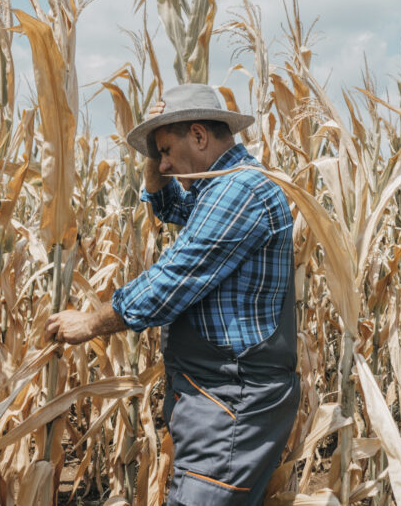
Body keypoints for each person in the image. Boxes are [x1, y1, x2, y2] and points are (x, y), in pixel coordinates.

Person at [45, 83, 299, 505]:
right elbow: (168, 206)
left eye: (165, 151)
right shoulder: (216, 188)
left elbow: (169, 283)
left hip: (233, 401)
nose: (161, 164)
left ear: (199, 137)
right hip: (216, 395)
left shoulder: (241, 192)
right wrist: (153, 140)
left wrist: (90, 322)